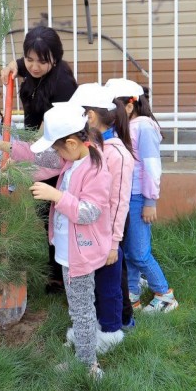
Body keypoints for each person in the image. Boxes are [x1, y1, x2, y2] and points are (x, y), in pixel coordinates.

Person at [0, 103, 111, 379]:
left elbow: (90, 211)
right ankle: (84, 358)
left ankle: (89, 367)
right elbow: (42, 159)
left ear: (71, 142)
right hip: (70, 249)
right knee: (77, 308)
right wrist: (5, 145)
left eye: (57, 148)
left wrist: (56, 196)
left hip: (80, 253)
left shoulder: (94, 168)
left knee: (81, 311)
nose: (55, 154)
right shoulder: (72, 157)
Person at [0, 26, 78, 292]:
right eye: (29, 59)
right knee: (46, 214)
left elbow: (60, 132)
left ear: (54, 58)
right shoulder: (34, 68)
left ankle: (64, 273)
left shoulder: (62, 84)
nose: (33, 66)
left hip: (58, 154)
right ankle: (56, 268)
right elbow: (25, 63)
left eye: (41, 61)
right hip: (38, 147)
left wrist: (25, 157)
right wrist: (15, 65)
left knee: (58, 214)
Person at [66, 83, 135, 353]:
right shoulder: (90, 147)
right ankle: (94, 325)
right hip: (91, 230)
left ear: (90, 117)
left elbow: (119, 203)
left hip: (109, 233)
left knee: (109, 284)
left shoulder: (117, 154)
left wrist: (114, 243)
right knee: (94, 283)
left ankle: (112, 330)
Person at [105, 78, 179, 313]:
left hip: (138, 198)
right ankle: (132, 293)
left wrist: (150, 201)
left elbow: (151, 166)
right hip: (126, 197)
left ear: (129, 106)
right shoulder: (126, 125)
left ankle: (164, 294)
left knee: (139, 252)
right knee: (129, 250)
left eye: (113, 108)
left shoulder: (144, 127)